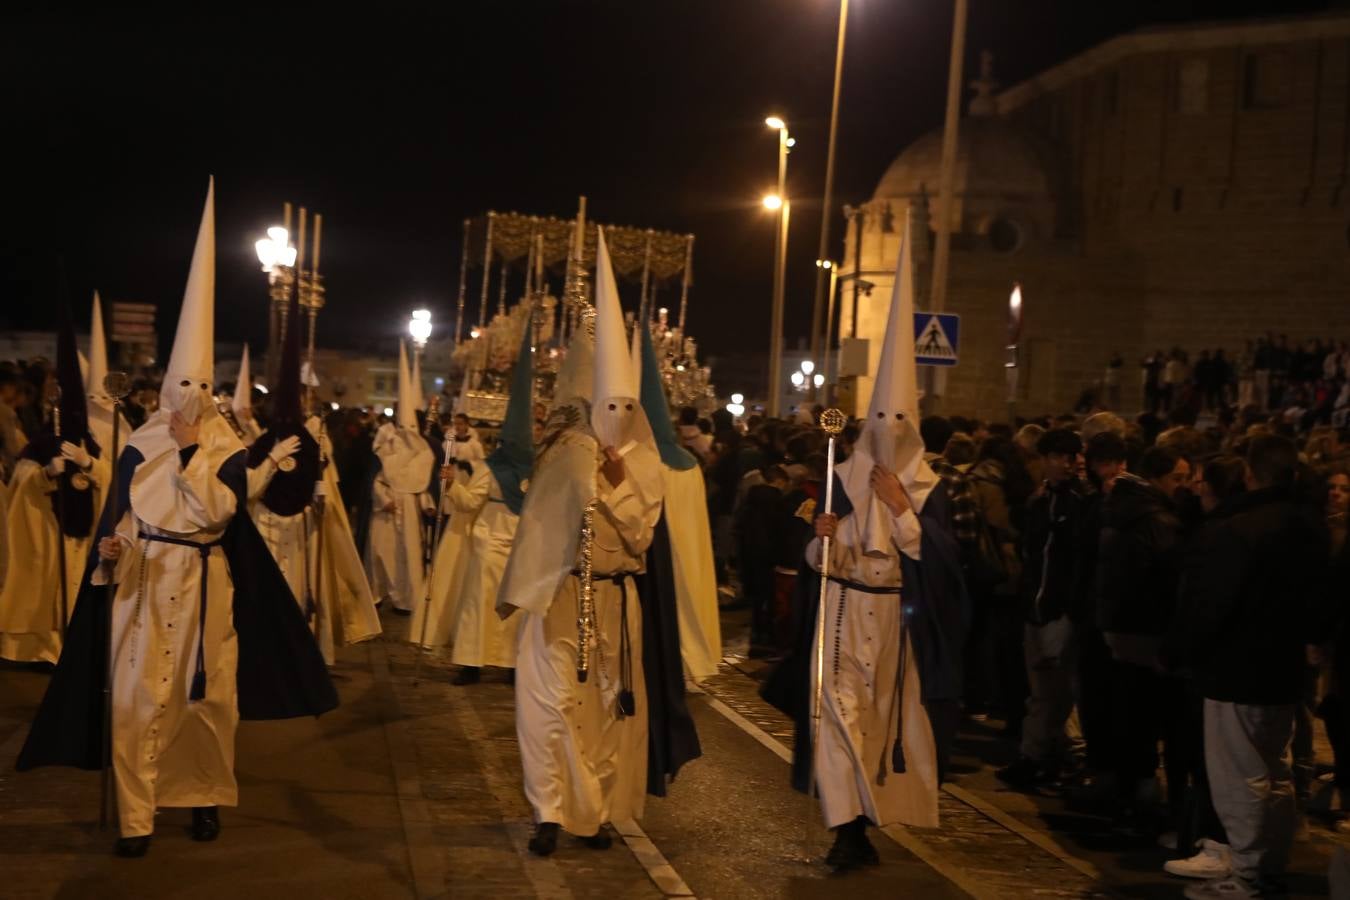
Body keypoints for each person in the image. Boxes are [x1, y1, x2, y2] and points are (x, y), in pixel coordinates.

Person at [16, 180, 336, 857]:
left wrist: (195, 457)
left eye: (201, 386)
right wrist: (112, 550)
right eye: (180, 385)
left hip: (204, 581)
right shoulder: (140, 442)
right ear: (165, 384)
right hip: (141, 582)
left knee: (206, 702)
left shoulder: (221, 445)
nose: (190, 397)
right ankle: (137, 816)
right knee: (134, 704)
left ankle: (202, 796)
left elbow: (220, 509)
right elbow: (126, 513)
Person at [763, 226, 968, 870]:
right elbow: (817, 559)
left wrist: (904, 513)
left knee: (884, 726)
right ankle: (844, 826)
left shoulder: (930, 489)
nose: (886, 433)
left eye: (898, 422)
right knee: (836, 717)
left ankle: (867, 819)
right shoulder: (839, 479)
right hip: (843, 618)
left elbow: (943, 565)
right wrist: (819, 543)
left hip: (897, 625)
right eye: (878, 420)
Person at [496, 230, 698, 857]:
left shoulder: (645, 464)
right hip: (561, 599)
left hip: (615, 603)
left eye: (624, 404)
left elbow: (641, 533)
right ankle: (549, 810)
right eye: (603, 403)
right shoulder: (562, 456)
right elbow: (538, 522)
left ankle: (596, 813)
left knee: (609, 713)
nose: (614, 415)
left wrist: (613, 486)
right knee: (551, 706)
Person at [1166, 436, 1325, 899]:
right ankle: (1271, 859)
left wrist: (1180, 651)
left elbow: (1210, 604)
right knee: (1273, 770)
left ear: (1252, 475)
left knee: (1240, 775)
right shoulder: (1308, 524)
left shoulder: (1239, 529)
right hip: (1283, 666)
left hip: (1236, 668)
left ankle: (1248, 873)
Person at [418, 321, 532, 685]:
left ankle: (514, 664)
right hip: (488, 543)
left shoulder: (539, 470)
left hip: (520, 547)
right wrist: (451, 486)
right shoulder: (489, 468)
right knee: (478, 605)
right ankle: (471, 662)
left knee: (517, 609)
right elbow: (469, 503)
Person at [0, 298, 109, 663]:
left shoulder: (90, 442)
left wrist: (88, 464)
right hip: (48, 530)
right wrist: (47, 473)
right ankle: (47, 648)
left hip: (84, 533)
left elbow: (109, 479)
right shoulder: (43, 442)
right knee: (49, 587)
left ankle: (77, 644)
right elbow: (22, 483)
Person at [1096, 445, 1190, 830]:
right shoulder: (1157, 520)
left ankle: (1128, 789)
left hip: (1121, 627)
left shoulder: (1120, 509)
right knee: (1145, 717)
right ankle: (1139, 794)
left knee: (1130, 713)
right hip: (1146, 632)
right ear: (1158, 479)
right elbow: (1164, 578)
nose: (1183, 486)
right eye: (1178, 479)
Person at [997, 429, 1086, 788]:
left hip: (1059, 608)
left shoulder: (1078, 501)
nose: (1066, 464)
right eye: (1059, 457)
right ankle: (1034, 755)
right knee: (1041, 690)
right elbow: (1033, 552)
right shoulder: (1041, 500)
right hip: (1036, 606)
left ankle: (1051, 756)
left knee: (1059, 690)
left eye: (1071, 457)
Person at [364, 342, 434, 614]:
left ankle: (405, 599)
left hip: (410, 509)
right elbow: (378, 479)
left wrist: (427, 502)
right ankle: (378, 592)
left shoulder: (423, 450)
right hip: (388, 508)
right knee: (381, 552)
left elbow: (423, 483)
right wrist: (383, 499)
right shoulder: (387, 441)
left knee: (408, 555)